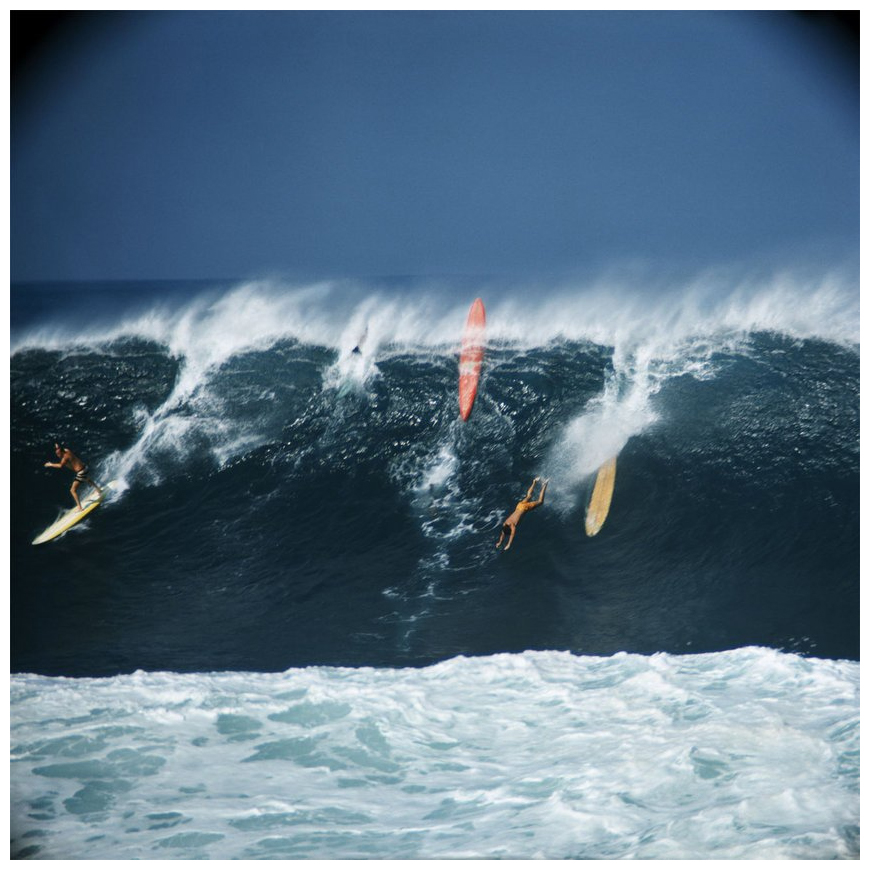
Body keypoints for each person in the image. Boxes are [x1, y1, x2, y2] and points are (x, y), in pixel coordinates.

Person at [44, 442, 102, 511]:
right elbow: (60, 448)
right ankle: (98, 490)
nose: (57, 455)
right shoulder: (67, 450)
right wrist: (57, 446)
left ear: (61, 452)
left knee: (72, 490)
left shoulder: (65, 458)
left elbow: (60, 466)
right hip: (85, 468)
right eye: (56, 454)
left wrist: (50, 464)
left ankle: (80, 508)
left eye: (58, 453)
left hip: (81, 472)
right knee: (87, 479)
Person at [496, 477, 549, 551]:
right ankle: (534, 481)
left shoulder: (512, 526)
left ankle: (545, 484)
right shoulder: (505, 523)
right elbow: (503, 533)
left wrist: (508, 545)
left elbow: (512, 536)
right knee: (529, 496)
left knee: (540, 501)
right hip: (519, 506)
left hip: (524, 508)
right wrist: (500, 542)